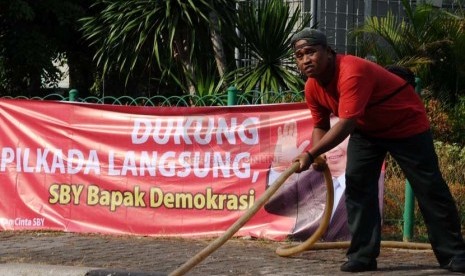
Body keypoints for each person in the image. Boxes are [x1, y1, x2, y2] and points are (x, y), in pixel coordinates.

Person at [290, 27, 465, 273]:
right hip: (368, 130)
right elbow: (320, 124)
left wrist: (309, 154)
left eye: (311, 52)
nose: (306, 59)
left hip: (405, 124)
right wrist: (318, 154)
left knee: (429, 188)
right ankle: (362, 256)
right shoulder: (312, 87)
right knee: (358, 185)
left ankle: (454, 254)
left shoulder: (351, 71)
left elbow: (346, 123)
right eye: (299, 55)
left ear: (328, 52)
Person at [265, 117, 384, 241]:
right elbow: (274, 205)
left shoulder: (373, 181)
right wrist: (281, 167)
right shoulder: (308, 178)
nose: (332, 148)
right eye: (327, 139)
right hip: (305, 256)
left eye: (339, 138)